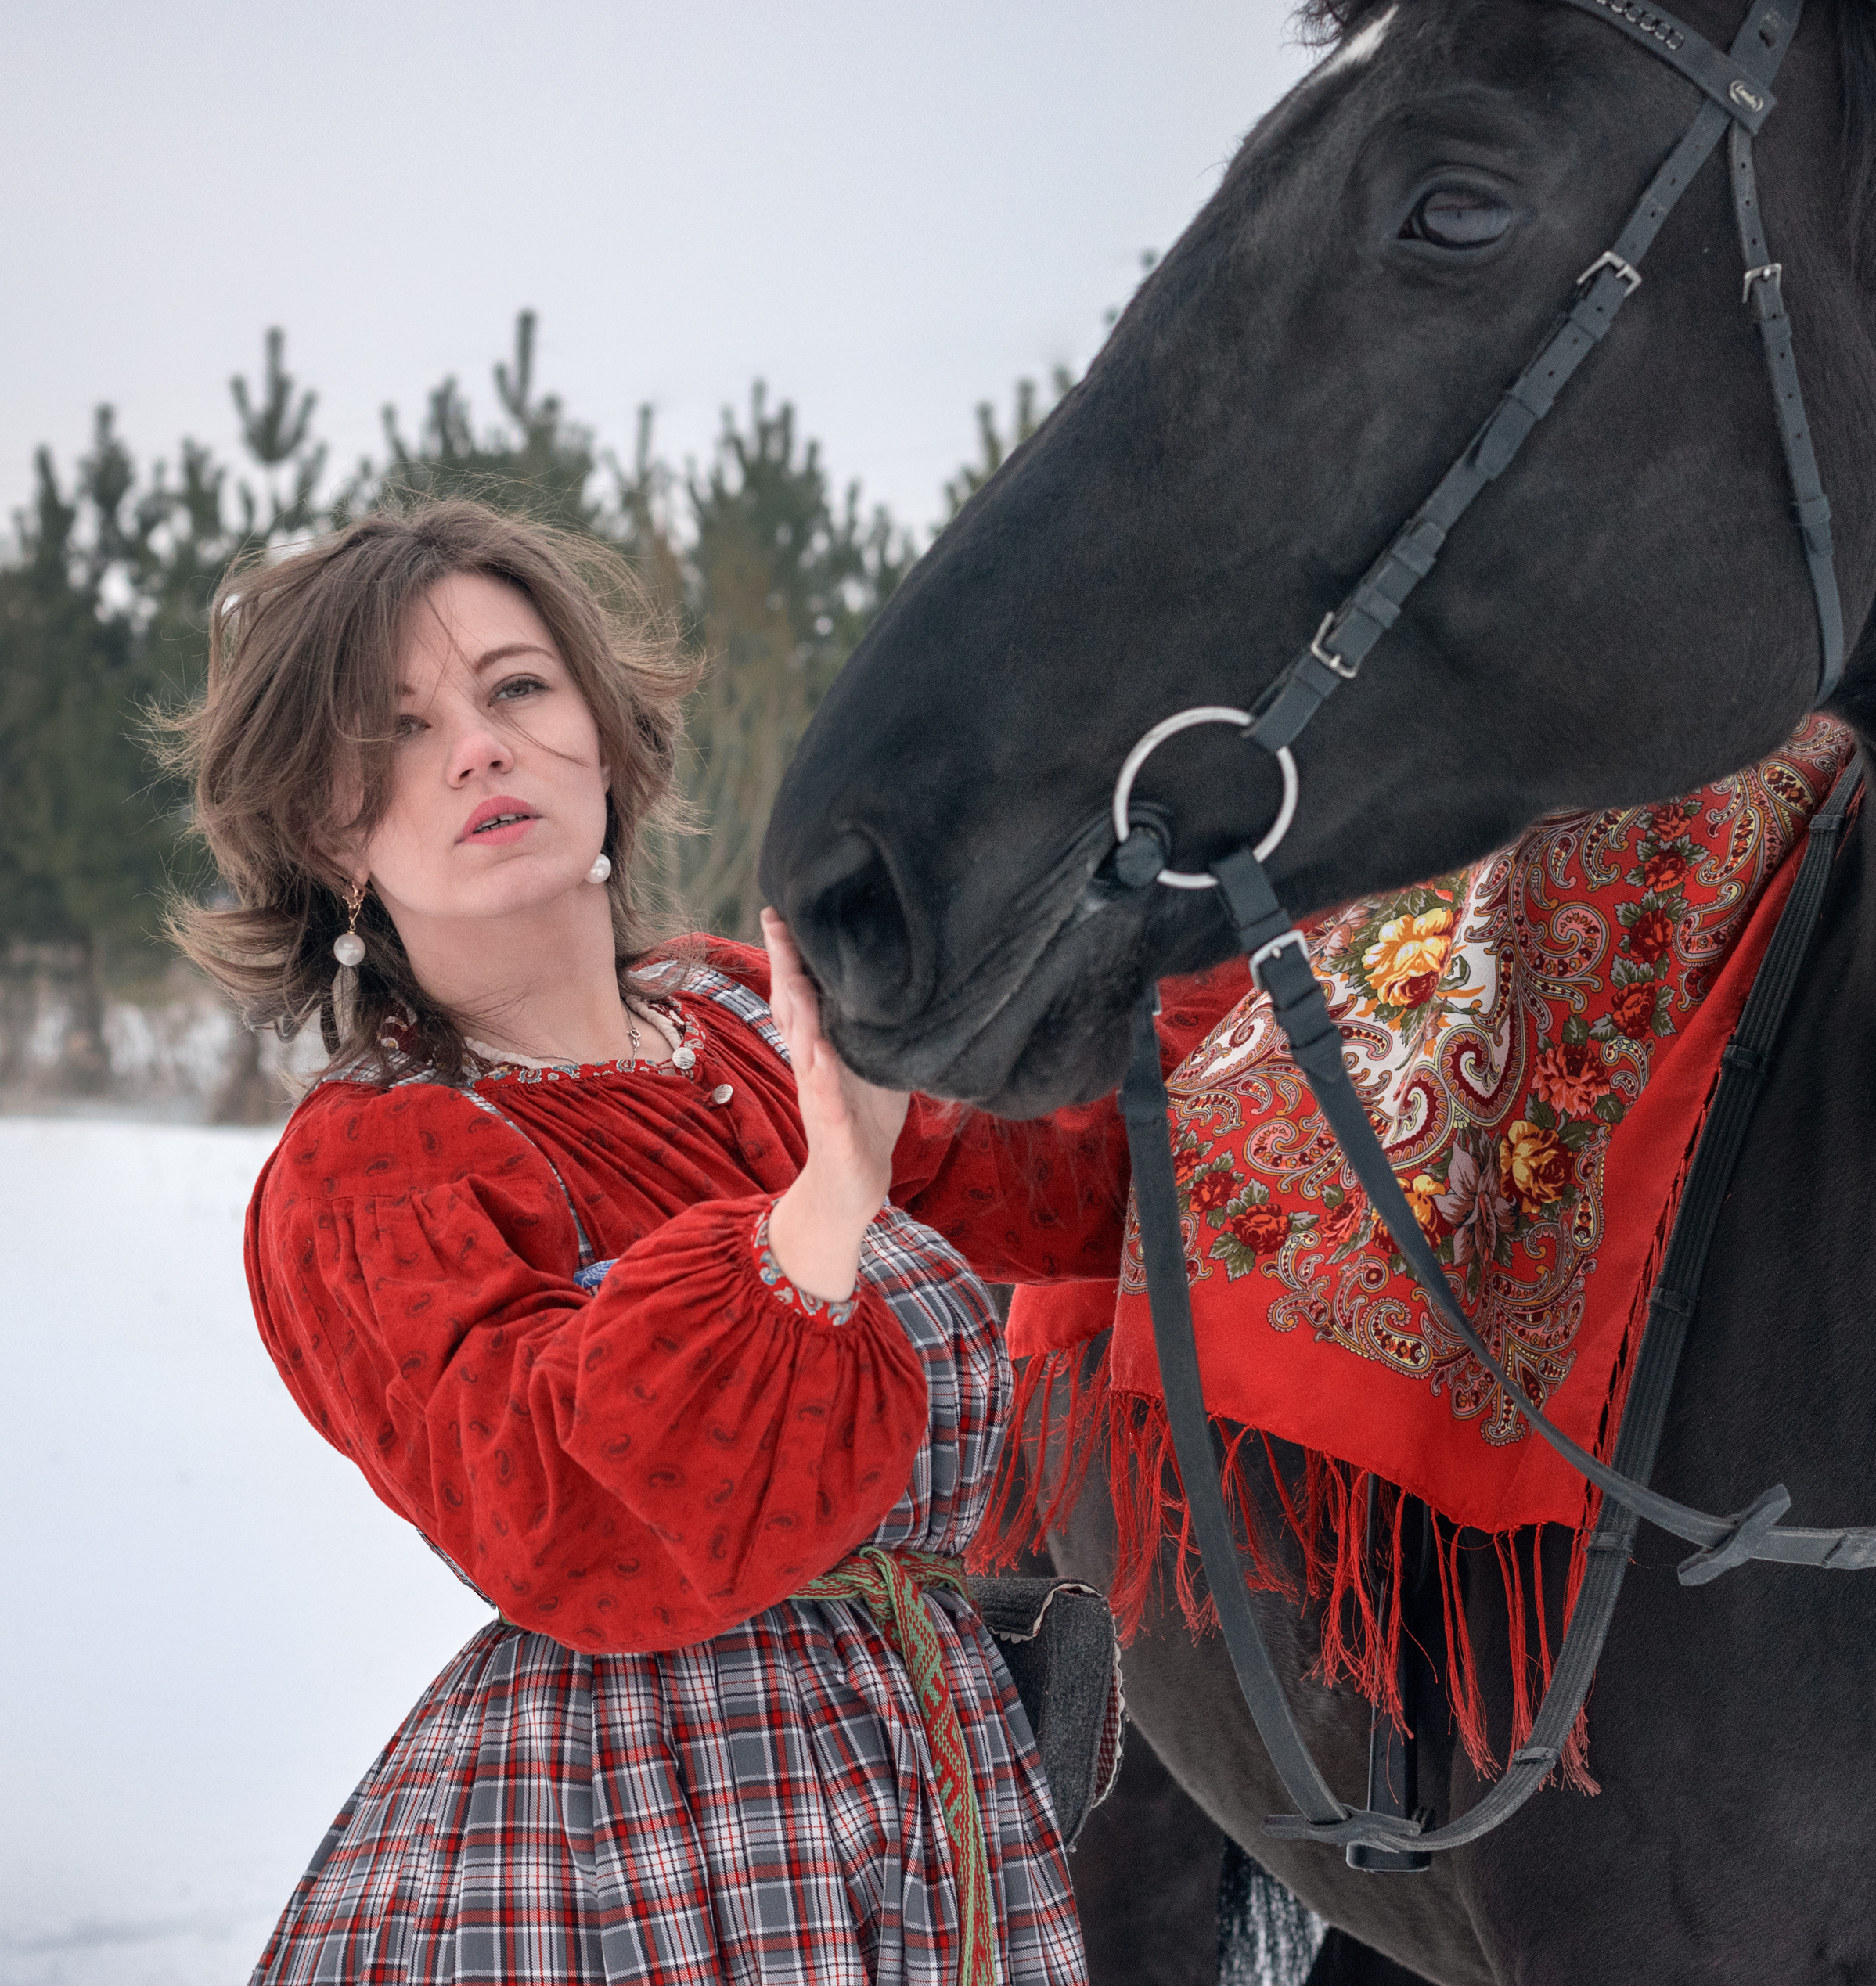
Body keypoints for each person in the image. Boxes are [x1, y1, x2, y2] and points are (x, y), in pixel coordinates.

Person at [166, 500, 1240, 1986]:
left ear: (601, 734)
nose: (477, 747)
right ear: (325, 833)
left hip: (937, 1793)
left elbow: (1077, 1194)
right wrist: (809, 1225)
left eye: (517, 687)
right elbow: (567, 1518)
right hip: (645, 1845)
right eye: (396, 730)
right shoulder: (374, 1167)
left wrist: (1183, 901)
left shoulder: (742, 1013)